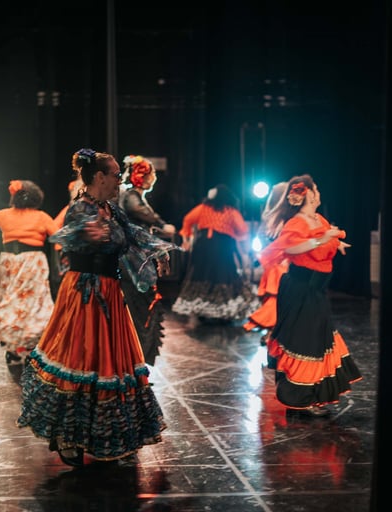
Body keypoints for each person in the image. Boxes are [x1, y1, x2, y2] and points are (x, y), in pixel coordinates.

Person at [16, 148, 180, 467]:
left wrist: (158, 252)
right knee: (79, 357)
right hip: (84, 293)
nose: (120, 179)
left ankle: (108, 434)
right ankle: (67, 435)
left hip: (109, 291)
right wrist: (91, 234)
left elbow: (132, 235)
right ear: (100, 177)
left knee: (111, 361)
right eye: (116, 174)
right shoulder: (80, 209)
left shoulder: (112, 209)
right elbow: (75, 235)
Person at [259, 174, 361, 416]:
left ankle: (315, 395)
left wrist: (336, 243)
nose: (319, 194)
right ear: (308, 195)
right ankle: (301, 396)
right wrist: (320, 241)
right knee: (305, 342)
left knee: (319, 339)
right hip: (299, 289)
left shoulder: (317, 219)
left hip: (316, 291)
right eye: (316, 190)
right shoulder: (296, 223)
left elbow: (327, 238)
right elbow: (291, 247)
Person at [0, 179, 59, 367]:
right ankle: (27, 348)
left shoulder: (4, 214)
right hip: (32, 262)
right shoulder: (41, 216)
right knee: (32, 306)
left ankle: (15, 348)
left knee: (12, 303)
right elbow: (57, 235)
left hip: (10, 262)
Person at [171, 184, 260, 326]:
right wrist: (241, 243)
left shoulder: (204, 208)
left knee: (201, 275)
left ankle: (202, 310)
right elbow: (242, 230)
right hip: (222, 247)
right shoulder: (230, 211)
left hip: (203, 246)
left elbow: (188, 219)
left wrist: (186, 237)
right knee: (223, 277)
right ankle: (221, 312)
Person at [117, 154, 176, 366]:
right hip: (133, 259)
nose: (154, 178)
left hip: (135, 257)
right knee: (138, 307)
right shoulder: (132, 196)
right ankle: (134, 359)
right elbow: (136, 210)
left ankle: (135, 359)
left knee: (140, 306)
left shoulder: (133, 195)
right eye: (151, 174)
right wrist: (161, 223)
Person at [243, 181, 289, 338]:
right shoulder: (288, 217)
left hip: (272, 264)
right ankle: (275, 332)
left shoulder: (269, 216)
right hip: (282, 263)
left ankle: (273, 332)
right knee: (279, 298)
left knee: (274, 297)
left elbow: (261, 239)